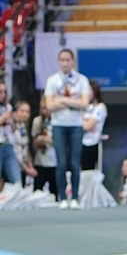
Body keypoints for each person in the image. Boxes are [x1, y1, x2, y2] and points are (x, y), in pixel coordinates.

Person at [43, 48, 91, 209]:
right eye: (62, 60)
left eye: (68, 60)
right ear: (59, 62)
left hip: (76, 125)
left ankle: (75, 197)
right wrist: (73, 102)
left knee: (75, 162)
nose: (65, 63)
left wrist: (62, 100)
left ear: (73, 61)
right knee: (62, 162)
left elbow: (84, 103)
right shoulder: (52, 80)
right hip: (58, 125)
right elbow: (49, 105)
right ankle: (62, 197)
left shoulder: (82, 80)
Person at [31, 103, 57, 197]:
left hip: (55, 162)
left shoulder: (58, 121)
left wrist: (51, 141)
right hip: (40, 161)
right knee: (37, 192)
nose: (45, 111)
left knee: (54, 192)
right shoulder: (37, 121)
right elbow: (33, 142)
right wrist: (39, 141)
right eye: (43, 108)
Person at [81, 79, 107, 171]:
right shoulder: (87, 107)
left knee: (89, 172)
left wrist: (85, 123)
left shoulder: (100, 107)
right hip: (81, 143)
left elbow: (87, 126)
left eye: (89, 90)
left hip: (92, 144)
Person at [0, 79, 21, 188]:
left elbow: (13, 130)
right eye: (0, 92)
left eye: (5, 92)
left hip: (8, 145)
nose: (2, 95)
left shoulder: (8, 107)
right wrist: (2, 119)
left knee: (16, 181)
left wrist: (14, 121)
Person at [10, 100, 36, 185]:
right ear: (16, 112)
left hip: (24, 165)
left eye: (28, 112)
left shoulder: (24, 127)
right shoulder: (11, 128)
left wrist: (30, 165)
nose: (25, 114)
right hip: (14, 165)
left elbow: (26, 148)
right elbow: (14, 150)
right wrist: (26, 169)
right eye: (22, 111)